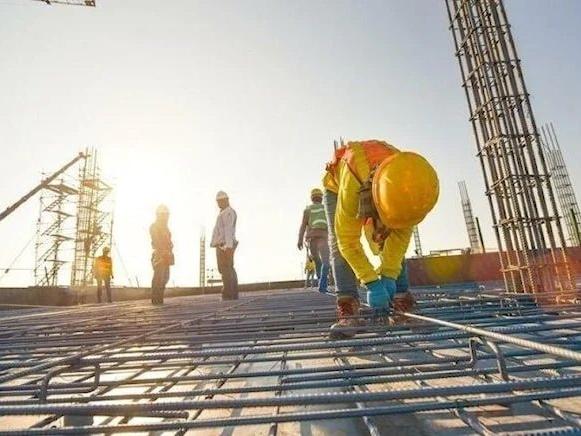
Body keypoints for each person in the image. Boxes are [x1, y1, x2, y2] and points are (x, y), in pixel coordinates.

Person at [323, 140, 439, 338]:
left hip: (382, 183)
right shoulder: (353, 183)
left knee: (393, 232)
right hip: (340, 185)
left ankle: (401, 302)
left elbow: (399, 238)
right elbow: (347, 241)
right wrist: (372, 283)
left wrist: (389, 276)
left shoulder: (410, 185)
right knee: (337, 243)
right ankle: (348, 309)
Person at [297, 188, 330, 292]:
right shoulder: (326, 208)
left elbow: (303, 226)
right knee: (326, 261)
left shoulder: (308, 210)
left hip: (312, 239)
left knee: (317, 260)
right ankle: (323, 283)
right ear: (321, 198)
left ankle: (320, 280)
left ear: (312, 198)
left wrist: (300, 240)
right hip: (324, 237)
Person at [210, 191, 238, 300]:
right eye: (218, 201)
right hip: (223, 245)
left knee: (226, 269)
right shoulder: (224, 213)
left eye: (220, 201)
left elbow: (228, 230)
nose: (218, 204)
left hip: (224, 246)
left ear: (225, 200)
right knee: (228, 268)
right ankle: (232, 293)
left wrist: (228, 247)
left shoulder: (228, 213)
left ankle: (228, 294)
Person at [150, 204, 174, 305]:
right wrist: (163, 250)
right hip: (159, 255)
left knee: (165, 277)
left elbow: (168, 240)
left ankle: (159, 298)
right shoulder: (154, 226)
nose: (166, 217)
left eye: (167, 215)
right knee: (158, 277)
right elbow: (156, 240)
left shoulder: (166, 228)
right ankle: (156, 299)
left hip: (166, 255)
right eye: (164, 215)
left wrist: (170, 247)